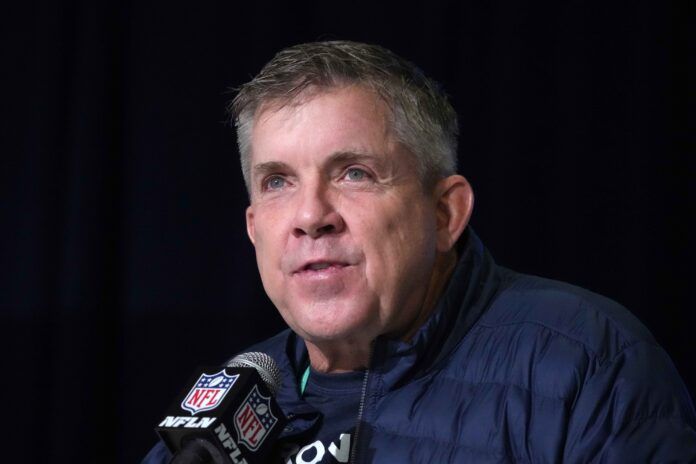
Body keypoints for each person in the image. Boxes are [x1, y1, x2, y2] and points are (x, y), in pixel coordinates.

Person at [144, 41, 696, 463]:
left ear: (444, 214)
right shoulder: (227, 405)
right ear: (253, 228)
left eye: (354, 173)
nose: (311, 216)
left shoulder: (590, 365)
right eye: (278, 182)